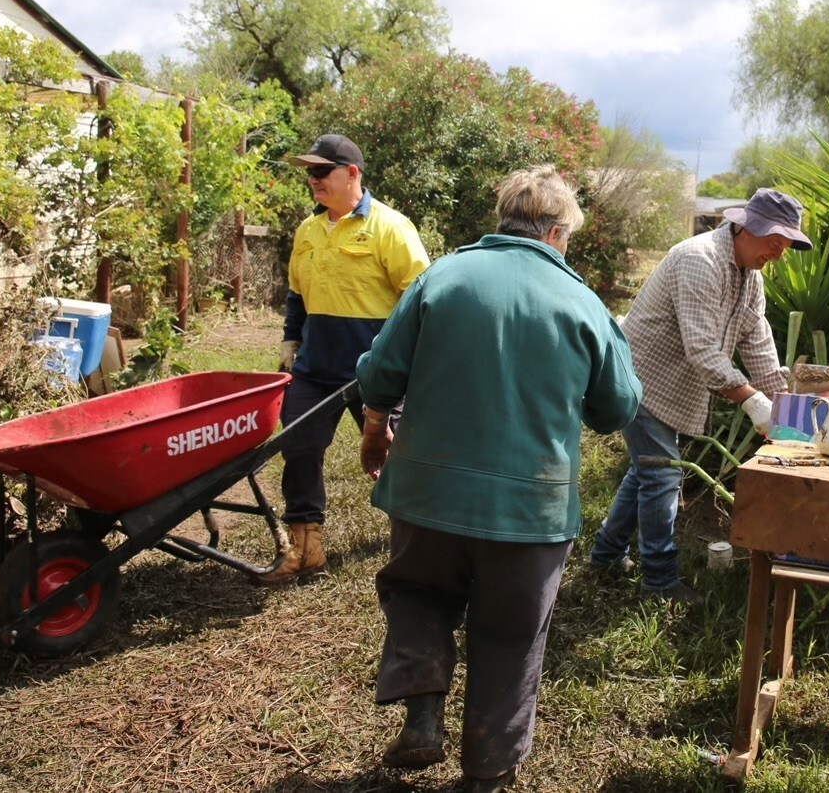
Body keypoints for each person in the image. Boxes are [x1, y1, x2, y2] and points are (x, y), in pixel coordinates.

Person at [357, 165, 642, 793]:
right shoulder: (584, 304)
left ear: (504, 220)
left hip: (427, 493)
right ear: (557, 231)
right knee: (512, 636)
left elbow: (379, 377)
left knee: (415, 590)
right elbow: (616, 409)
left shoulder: (442, 277)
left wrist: (374, 419)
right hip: (531, 514)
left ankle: (424, 710)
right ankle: (485, 776)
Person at [588, 187, 811, 603]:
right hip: (642, 379)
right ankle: (658, 581)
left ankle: (605, 555)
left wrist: (781, 402)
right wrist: (751, 400)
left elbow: (757, 338)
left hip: (673, 384)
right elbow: (703, 350)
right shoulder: (699, 259)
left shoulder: (750, 277)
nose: (778, 255)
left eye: (785, 248)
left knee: (647, 471)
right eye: (774, 244)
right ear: (746, 229)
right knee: (662, 476)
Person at [260, 133, 430, 585]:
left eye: (320, 172)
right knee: (298, 450)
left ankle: (417, 546)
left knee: (399, 456)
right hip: (314, 369)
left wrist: (406, 364)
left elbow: (421, 300)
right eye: (309, 173)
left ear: (352, 173)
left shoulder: (392, 227)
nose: (312, 181)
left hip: (377, 372)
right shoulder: (308, 230)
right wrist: (289, 340)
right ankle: (305, 546)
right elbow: (296, 294)